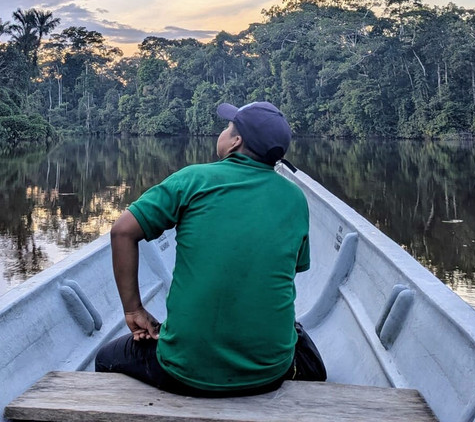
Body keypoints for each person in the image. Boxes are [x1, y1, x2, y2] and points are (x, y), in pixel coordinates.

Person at [94, 100, 326, 395]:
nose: (223, 132)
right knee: (295, 333)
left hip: (183, 369)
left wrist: (133, 309)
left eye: (228, 127)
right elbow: (289, 269)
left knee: (106, 358)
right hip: (268, 372)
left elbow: (122, 232)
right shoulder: (295, 198)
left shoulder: (192, 180)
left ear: (236, 141)